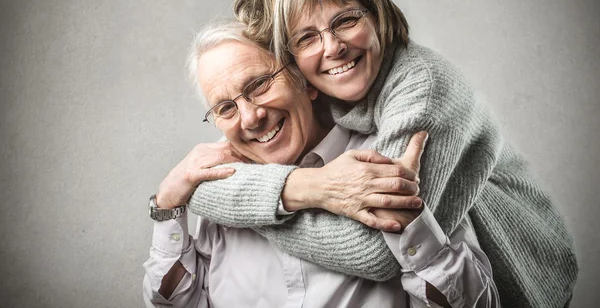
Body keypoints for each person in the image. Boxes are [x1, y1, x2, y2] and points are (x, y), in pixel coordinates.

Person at [186, 0, 578, 307]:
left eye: (346, 20)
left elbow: (374, 250)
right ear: (292, 61)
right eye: (306, 38)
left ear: (379, 16)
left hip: (525, 276)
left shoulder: (423, 88)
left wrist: (242, 203)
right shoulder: (333, 92)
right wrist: (294, 187)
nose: (333, 47)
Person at [143, 22, 499, 307]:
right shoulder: (222, 187)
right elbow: (173, 303)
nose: (250, 117)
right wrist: (167, 210)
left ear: (305, 81)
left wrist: (414, 231)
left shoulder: (392, 161)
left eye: (259, 85)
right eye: (225, 108)